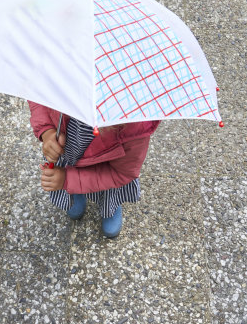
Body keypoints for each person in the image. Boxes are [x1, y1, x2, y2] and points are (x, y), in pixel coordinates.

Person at [28, 101, 159, 238]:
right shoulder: (61, 82)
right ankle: (75, 191)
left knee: (108, 188)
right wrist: (47, 131)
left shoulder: (135, 124)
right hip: (69, 151)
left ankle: (110, 206)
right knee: (72, 187)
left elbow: (120, 173)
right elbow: (38, 95)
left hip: (107, 170)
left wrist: (66, 180)